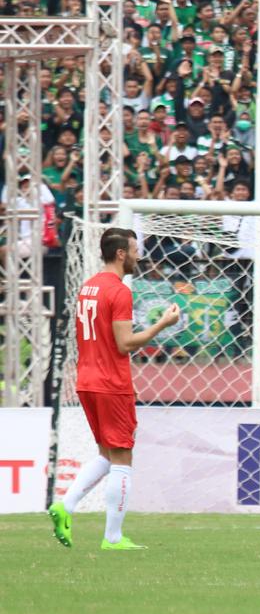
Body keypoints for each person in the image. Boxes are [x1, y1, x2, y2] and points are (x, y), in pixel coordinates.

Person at [50, 228, 181, 550]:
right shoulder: (119, 291)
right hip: (111, 382)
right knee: (122, 457)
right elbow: (124, 344)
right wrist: (162, 325)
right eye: (135, 250)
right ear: (121, 253)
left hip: (87, 380)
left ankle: (64, 506)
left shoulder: (89, 287)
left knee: (107, 454)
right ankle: (113, 537)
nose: (139, 256)